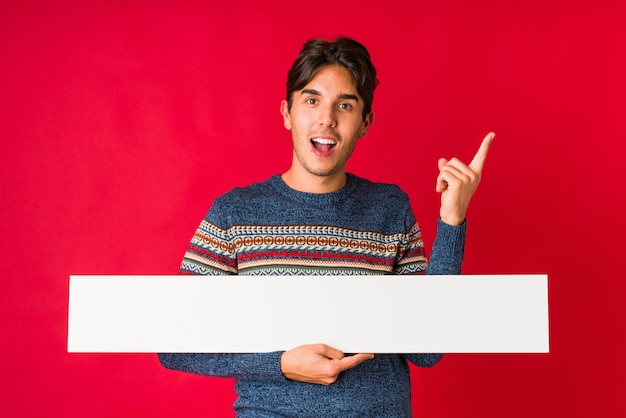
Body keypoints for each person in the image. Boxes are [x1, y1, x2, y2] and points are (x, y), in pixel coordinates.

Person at [159, 36, 494, 417]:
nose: (327, 118)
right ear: (287, 112)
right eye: (312, 99)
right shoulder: (234, 214)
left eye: (345, 105)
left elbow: (427, 349)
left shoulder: (390, 209)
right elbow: (175, 345)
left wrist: (452, 220)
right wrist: (281, 364)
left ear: (365, 122)